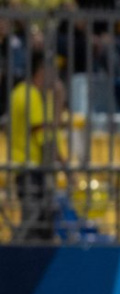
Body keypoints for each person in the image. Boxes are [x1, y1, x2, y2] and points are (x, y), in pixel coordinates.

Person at [10, 49, 66, 242]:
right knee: (34, 223)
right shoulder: (31, 96)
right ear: (42, 71)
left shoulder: (25, 93)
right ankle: (11, 258)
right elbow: (46, 139)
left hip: (28, 167)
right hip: (32, 170)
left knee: (42, 226)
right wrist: (67, 169)